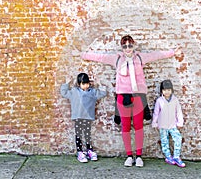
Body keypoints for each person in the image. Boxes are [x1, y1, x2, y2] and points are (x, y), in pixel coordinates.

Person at [77, 35, 181, 167]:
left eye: (130, 45)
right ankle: (129, 156)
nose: (127, 48)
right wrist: (83, 54)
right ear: (122, 47)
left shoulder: (139, 57)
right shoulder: (117, 59)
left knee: (138, 127)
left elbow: (156, 55)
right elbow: (100, 57)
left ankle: (138, 156)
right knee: (125, 127)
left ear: (133, 46)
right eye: (125, 46)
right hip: (123, 97)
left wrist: (172, 52)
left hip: (138, 96)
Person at [60, 73, 107, 163]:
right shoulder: (74, 91)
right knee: (78, 135)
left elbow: (102, 93)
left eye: (87, 83)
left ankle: (89, 150)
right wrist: (66, 83)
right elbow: (64, 93)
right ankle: (80, 152)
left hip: (88, 117)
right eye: (83, 84)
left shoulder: (92, 92)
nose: (85, 86)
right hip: (78, 116)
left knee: (87, 134)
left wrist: (101, 85)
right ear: (79, 84)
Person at [152, 79, 185, 168]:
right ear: (162, 91)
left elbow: (178, 111)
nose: (167, 92)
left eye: (169, 90)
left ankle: (176, 156)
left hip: (172, 124)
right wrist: (155, 123)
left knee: (178, 138)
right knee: (164, 141)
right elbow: (156, 112)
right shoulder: (159, 101)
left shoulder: (175, 100)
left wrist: (180, 122)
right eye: (165, 90)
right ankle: (168, 156)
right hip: (162, 125)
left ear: (171, 90)